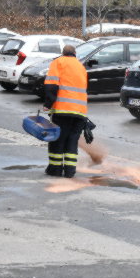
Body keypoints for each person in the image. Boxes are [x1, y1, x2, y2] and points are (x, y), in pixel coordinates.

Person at [43, 45, 88, 178]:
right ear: (75, 53)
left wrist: (48, 104)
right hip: (80, 112)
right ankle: (70, 171)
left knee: (58, 140)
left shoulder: (58, 62)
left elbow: (51, 85)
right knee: (72, 141)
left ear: (63, 53)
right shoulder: (81, 66)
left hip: (62, 110)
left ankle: (55, 170)